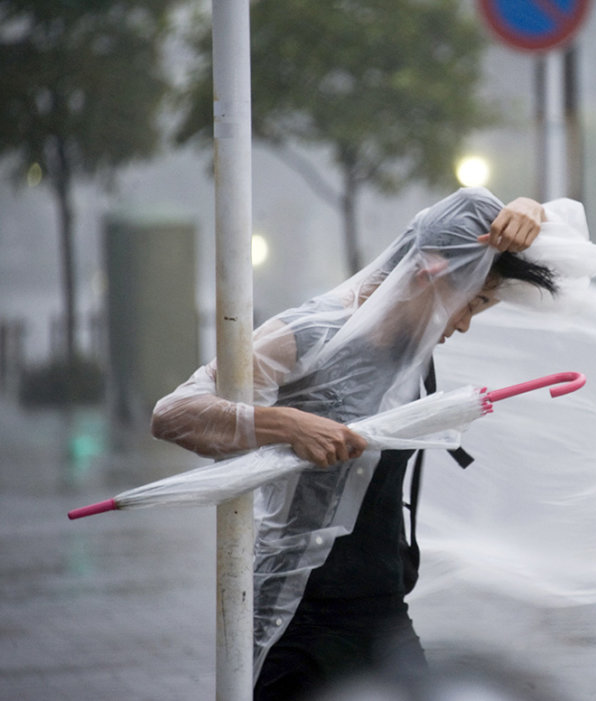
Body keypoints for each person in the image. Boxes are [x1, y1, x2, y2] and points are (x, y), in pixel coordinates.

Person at [150, 188, 559, 700]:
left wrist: (529, 206)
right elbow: (173, 415)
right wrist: (290, 425)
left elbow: (553, 242)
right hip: (295, 615)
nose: (465, 324)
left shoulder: (418, 352)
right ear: (431, 271)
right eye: (471, 302)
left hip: (382, 609)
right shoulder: (314, 333)